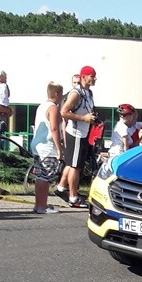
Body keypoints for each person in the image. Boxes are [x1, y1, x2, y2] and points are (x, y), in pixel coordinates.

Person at [55, 65, 97, 208]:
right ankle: (73, 197)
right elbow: (64, 112)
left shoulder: (88, 93)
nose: (94, 79)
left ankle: (61, 188)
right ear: (84, 77)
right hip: (76, 133)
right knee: (75, 167)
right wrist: (83, 119)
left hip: (84, 133)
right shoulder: (76, 93)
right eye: (92, 76)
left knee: (71, 163)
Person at [29, 82, 63, 214]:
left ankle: (38, 205)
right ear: (56, 94)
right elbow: (54, 128)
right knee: (46, 176)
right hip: (47, 146)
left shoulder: (41, 106)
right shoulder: (53, 108)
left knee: (40, 175)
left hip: (37, 146)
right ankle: (42, 206)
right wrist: (59, 148)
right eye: (60, 94)